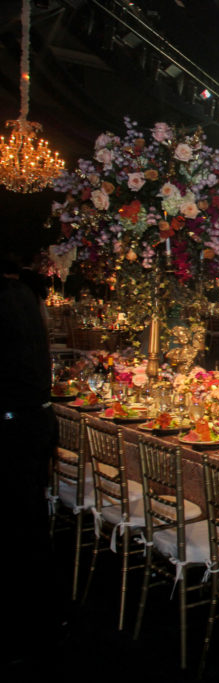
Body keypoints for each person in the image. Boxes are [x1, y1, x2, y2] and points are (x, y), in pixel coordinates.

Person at [0, 260, 58, 670]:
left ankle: (24, 630)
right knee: (30, 523)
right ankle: (41, 621)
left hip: (14, 423)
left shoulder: (9, 299)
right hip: (36, 418)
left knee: (16, 528)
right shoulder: (28, 297)